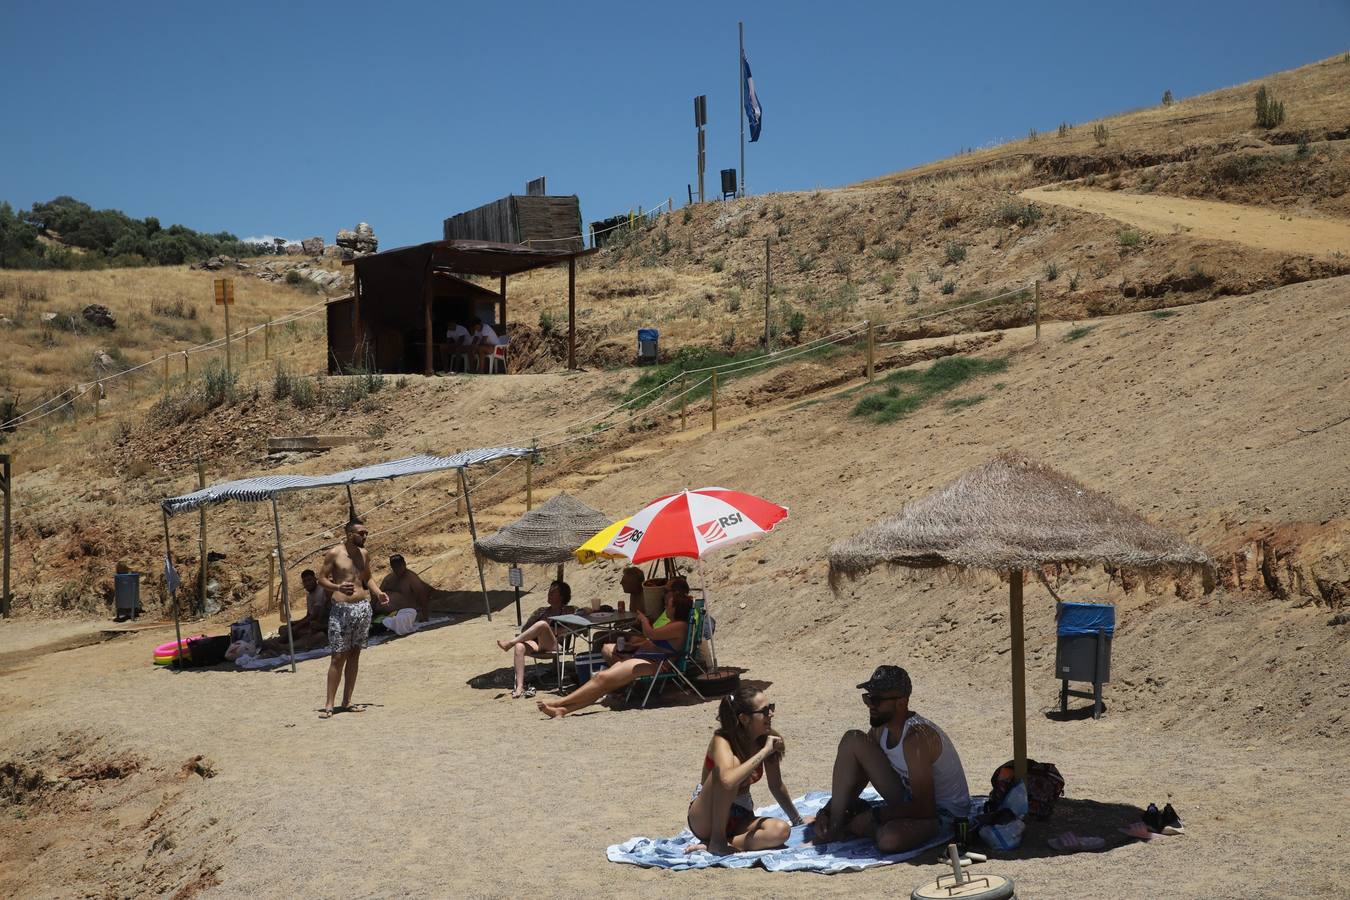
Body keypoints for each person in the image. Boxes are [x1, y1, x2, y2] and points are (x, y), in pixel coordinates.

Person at [809, 666, 971, 853]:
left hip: (942, 814)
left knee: (889, 839)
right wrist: (828, 811)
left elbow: (926, 808)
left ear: (901, 703)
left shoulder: (916, 739)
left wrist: (876, 815)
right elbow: (860, 771)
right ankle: (836, 827)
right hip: (909, 799)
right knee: (852, 739)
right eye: (868, 698)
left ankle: (860, 826)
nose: (870, 705)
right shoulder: (881, 729)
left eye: (876, 700)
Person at [686, 686, 809, 855]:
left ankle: (720, 843)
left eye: (771, 707)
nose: (771, 714)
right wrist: (764, 752)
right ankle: (716, 840)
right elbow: (727, 781)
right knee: (731, 768)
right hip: (707, 816)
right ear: (744, 719)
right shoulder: (721, 740)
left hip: (740, 814)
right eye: (765, 711)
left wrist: (797, 820)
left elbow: (776, 785)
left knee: (781, 831)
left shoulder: (767, 739)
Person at [536, 590, 692, 718]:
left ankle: (559, 703)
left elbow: (651, 634)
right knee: (602, 682)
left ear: (676, 608)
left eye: (668, 606)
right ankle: (563, 710)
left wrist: (644, 620)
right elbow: (654, 643)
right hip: (645, 659)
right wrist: (631, 649)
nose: (665, 608)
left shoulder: (680, 626)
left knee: (602, 678)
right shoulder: (674, 624)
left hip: (655, 663)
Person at [316, 518, 392, 718]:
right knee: (338, 656)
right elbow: (321, 579)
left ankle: (347, 701)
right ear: (350, 534)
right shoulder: (334, 553)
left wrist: (378, 593)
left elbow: (367, 578)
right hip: (341, 609)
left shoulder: (364, 554)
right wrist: (337, 587)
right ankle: (329, 704)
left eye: (366, 533)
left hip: (362, 608)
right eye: (362, 533)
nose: (365, 536)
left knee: (355, 653)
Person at [495, 580, 576, 699]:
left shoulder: (569, 611)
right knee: (520, 646)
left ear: (562, 596)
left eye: (553, 592)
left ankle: (510, 643)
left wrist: (552, 629)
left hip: (556, 645)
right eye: (549, 591)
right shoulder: (541, 611)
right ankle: (519, 687)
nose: (549, 594)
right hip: (537, 644)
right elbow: (526, 630)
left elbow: (573, 628)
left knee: (542, 625)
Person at [600, 576, 687, 664]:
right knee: (608, 649)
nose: (663, 594)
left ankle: (619, 667)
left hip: (652, 662)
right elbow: (656, 641)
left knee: (607, 649)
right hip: (645, 656)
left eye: (666, 591)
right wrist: (633, 646)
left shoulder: (679, 624)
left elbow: (651, 634)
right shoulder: (673, 619)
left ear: (676, 593)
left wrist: (643, 620)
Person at [260, 569, 330, 654]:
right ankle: (281, 642)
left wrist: (298, 626)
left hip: (323, 631)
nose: (308, 583)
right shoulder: (311, 596)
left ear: (315, 579)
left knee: (316, 635)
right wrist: (296, 623)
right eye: (305, 581)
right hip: (314, 625)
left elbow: (315, 617)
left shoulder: (321, 593)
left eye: (309, 580)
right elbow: (309, 615)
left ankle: (283, 646)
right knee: (284, 629)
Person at [379, 554, 431, 622]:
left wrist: (425, 616)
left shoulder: (412, 578)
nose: (397, 569)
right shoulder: (389, 578)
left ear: (404, 564)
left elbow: (422, 596)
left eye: (399, 566)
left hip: (407, 611)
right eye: (395, 567)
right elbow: (378, 593)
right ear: (392, 567)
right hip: (387, 612)